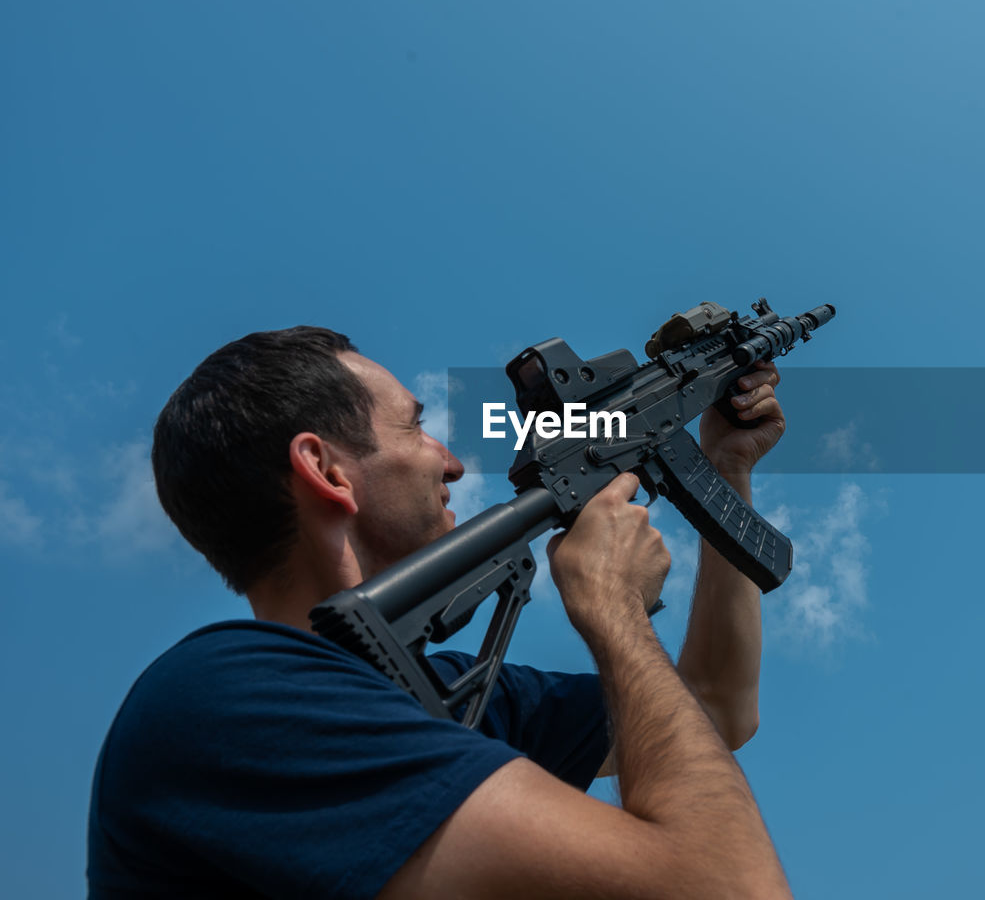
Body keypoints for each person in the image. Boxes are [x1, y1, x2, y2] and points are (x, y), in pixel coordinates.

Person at [87, 326, 794, 899]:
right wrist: (616, 616)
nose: (451, 462)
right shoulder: (230, 701)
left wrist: (726, 470)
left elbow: (715, 709)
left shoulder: (446, 697)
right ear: (327, 470)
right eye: (415, 428)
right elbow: (726, 886)